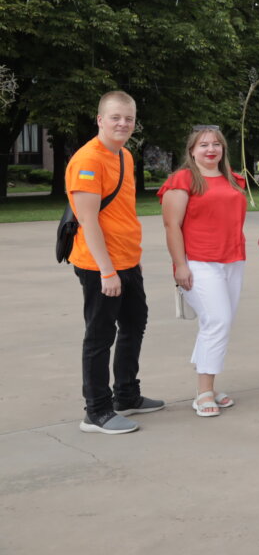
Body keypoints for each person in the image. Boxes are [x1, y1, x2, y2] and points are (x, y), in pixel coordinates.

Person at [69, 91, 162, 434]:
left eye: (129, 118)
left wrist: (129, 262)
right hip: (100, 265)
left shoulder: (123, 155)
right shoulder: (88, 160)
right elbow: (88, 220)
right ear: (100, 120)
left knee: (135, 324)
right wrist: (107, 271)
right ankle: (96, 412)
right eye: (115, 117)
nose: (123, 123)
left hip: (127, 259)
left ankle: (126, 395)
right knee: (99, 336)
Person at [159, 126, 248, 417]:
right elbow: (172, 225)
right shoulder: (183, 179)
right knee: (218, 321)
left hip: (233, 260)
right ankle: (204, 392)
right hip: (199, 261)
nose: (211, 149)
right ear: (192, 151)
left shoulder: (233, 179)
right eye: (204, 145)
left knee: (217, 323)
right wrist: (180, 265)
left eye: (216, 144)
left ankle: (207, 386)